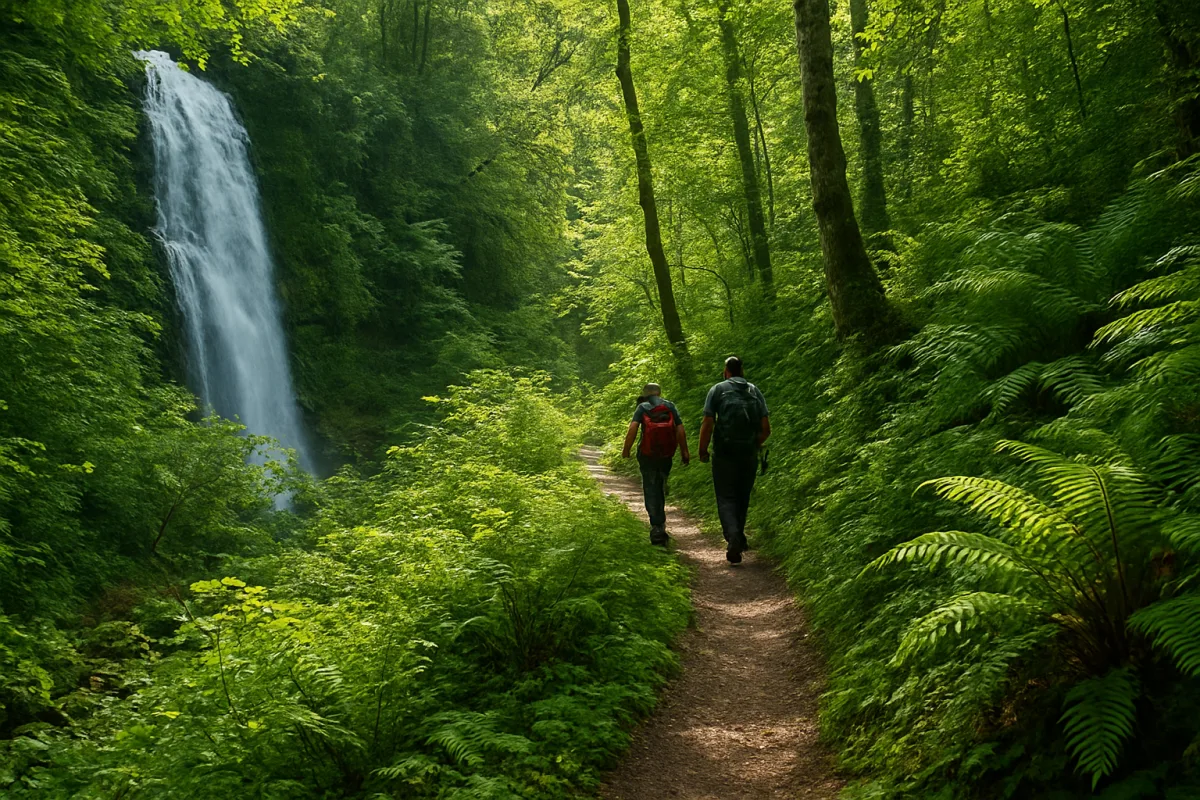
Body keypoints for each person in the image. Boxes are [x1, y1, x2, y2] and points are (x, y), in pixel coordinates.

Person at [698, 357, 770, 563]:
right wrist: (752, 444)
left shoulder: (717, 390)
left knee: (726, 497)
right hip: (748, 454)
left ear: (726, 371)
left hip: (724, 453)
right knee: (742, 496)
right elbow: (766, 429)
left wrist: (702, 449)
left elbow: (708, 422)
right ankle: (738, 535)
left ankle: (733, 537)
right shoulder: (754, 391)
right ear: (742, 371)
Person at [621, 382, 691, 545]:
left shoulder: (643, 407)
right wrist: (684, 452)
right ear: (659, 393)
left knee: (650, 486)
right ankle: (662, 489)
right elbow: (680, 429)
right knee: (659, 482)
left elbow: (633, 428)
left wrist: (626, 449)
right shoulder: (670, 406)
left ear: (645, 394)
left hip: (647, 455)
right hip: (666, 455)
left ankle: (657, 527)